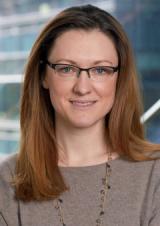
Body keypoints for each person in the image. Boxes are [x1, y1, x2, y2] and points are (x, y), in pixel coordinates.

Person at [0, 4, 160, 226]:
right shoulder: (6, 180)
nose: (83, 87)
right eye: (66, 69)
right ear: (43, 76)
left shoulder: (155, 174)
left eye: (100, 70)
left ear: (119, 79)